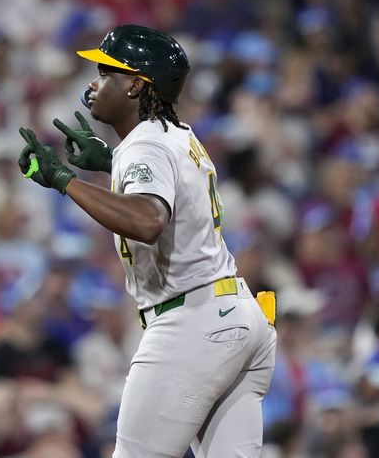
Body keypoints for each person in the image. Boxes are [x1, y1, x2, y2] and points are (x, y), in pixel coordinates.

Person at [17, 24, 277, 457]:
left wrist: (64, 181)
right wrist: (111, 161)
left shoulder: (146, 146)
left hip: (192, 321)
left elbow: (148, 220)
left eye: (106, 73)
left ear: (136, 84)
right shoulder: (177, 134)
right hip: (237, 316)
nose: (94, 83)